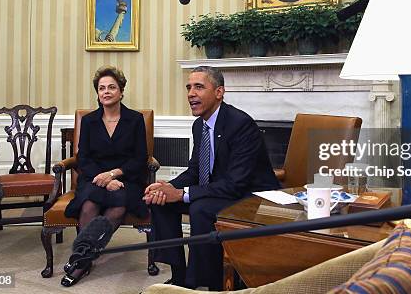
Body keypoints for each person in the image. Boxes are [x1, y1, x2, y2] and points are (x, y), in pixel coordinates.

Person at [144, 66, 280, 290]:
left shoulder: (240, 124)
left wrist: (181, 194)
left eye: (199, 87)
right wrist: (166, 188)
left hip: (251, 195)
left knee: (200, 208)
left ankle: (210, 282)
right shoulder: (200, 125)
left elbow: (236, 183)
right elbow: (195, 171)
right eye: (188, 87)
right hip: (221, 190)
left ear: (219, 92)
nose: (190, 93)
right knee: (162, 203)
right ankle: (180, 277)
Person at [61, 66, 149, 287]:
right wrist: (102, 178)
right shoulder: (89, 121)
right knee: (89, 202)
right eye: (102, 88)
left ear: (121, 91)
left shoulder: (135, 119)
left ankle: (81, 260)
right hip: (94, 177)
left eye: (112, 87)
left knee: (119, 204)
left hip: (126, 177)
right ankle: (84, 258)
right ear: (97, 93)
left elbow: (140, 158)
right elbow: (84, 158)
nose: (106, 91)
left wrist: (113, 175)